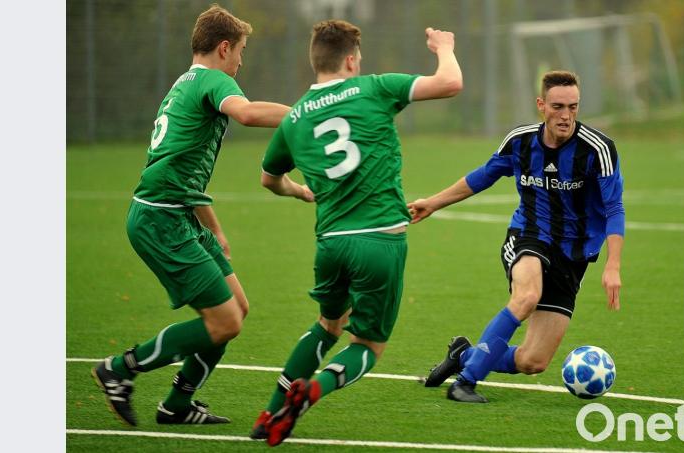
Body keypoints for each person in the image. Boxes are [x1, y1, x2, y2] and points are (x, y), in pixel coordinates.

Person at [252, 20, 462, 445]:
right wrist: (444, 47)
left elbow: (269, 179)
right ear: (351, 60)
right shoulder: (374, 88)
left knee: (328, 325)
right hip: (380, 239)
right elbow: (450, 83)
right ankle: (312, 391)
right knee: (368, 344)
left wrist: (301, 192)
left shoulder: (294, 118)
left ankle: (269, 414)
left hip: (330, 243)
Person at [91, 4, 295, 426]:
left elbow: (183, 165)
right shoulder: (213, 80)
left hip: (179, 213)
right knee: (222, 321)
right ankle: (120, 368)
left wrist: (214, 229)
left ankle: (177, 405)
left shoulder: (184, 84)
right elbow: (249, 112)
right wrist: (307, 114)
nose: (241, 61)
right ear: (224, 48)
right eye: (240, 51)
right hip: (161, 219)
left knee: (237, 308)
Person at [410, 70, 624, 403]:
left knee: (532, 361)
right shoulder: (520, 141)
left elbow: (614, 209)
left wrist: (613, 265)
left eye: (573, 106)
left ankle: (465, 355)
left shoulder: (598, 149)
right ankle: (465, 383)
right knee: (526, 297)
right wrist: (433, 203)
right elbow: (482, 177)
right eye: (557, 106)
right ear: (541, 105)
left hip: (574, 257)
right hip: (529, 235)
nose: (566, 115)